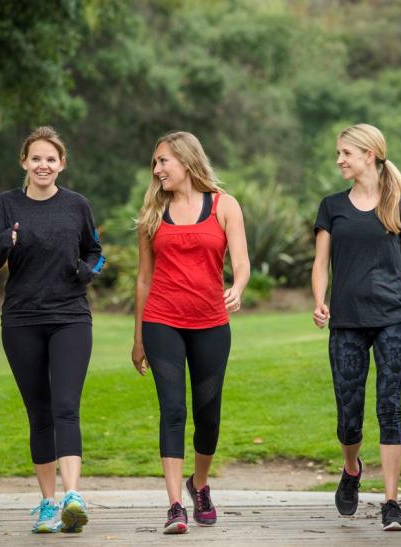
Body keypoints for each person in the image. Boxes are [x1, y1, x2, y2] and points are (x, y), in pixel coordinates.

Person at [0, 126, 105, 534]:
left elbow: (96, 252)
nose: (43, 165)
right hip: (21, 320)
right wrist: (6, 240)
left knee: (66, 406)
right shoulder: (6, 205)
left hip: (70, 317)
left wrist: (87, 271)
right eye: (36, 158)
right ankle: (48, 505)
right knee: (40, 413)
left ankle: (73, 497)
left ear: (62, 164)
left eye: (51, 158)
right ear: (24, 163)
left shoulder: (77, 206)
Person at [311, 123, 401, 531]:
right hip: (346, 322)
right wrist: (319, 301)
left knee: (389, 407)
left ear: (369, 155)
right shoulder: (332, 206)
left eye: (345, 152)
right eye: (339, 153)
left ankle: (391, 503)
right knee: (349, 416)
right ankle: (352, 468)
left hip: (392, 321)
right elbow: (320, 264)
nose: (339, 160)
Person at [131, 131, 250, 534]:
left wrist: (237, 287)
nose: (157, 169)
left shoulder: (224, 205)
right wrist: (138, 338)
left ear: (186, 161)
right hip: (162, 320)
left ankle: (199, 485)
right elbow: (143, 280)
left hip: (211, 323)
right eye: (155, 163)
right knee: (173, 410)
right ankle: (175, 506)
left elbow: (242, 261)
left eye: (163, 161)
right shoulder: (151, 212)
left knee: (208, 416)